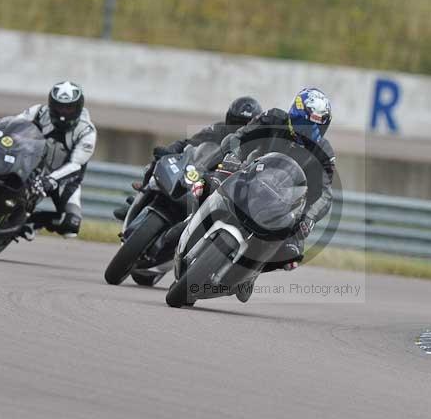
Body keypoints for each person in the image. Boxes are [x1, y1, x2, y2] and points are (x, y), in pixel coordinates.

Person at [222, 87, 335, 283]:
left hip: (285, 203)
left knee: (291, 255)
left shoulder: (324, 151)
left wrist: (309, 218)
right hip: (251, 176)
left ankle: (252, 272)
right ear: (294, 114)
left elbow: (325, 193)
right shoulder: (273, 118)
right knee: (209, 186)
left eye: (316, 127)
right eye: (304, 124)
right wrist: (233, 155)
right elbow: (240, 137)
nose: (309, 130)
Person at [0, 81, 97, 238]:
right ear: (51, 104)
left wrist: (51, 180)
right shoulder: (39, 112)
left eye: (69, 107)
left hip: (65, 180)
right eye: (59, 106)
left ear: (78, 107)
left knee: (71, 226)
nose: (63, 113)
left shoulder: (87, 131)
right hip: (31, 163)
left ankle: (31, 223)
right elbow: (13, 123)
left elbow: (76, 164)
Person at [112, 96, 262, 221]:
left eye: (245, 125)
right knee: (162, 160)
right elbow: (188, 142)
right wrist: (171, 150)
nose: (239, 128)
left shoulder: (256, 146)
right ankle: (139, 199)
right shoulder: (219, 129)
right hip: (199, 171)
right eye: (235, 123)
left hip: (220, 187)